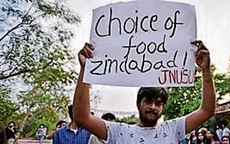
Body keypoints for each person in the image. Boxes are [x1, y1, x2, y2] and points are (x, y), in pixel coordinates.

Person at [73, 40, 216, 143]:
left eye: (158, 103)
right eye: (148, 101)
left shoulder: (173, 129)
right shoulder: (119, 132)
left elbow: (207, 110)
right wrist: (85, 70)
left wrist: (206, 70)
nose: (153, 107)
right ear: (138, 103)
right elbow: (82, 117)